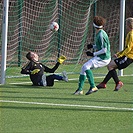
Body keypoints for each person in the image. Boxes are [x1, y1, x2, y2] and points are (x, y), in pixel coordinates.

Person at [74, 16, 111, 95]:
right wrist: (93, 46)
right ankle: (80, 90)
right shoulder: (100, 33)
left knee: (85, 67)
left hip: (103, 58)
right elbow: (101, 47)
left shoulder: (101, 35)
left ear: (94, 25)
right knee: (83, 68)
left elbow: (104, 50)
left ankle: (93, 86)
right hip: (103, 57)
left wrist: (92, 54)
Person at [97, 17, 133, 91]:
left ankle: (115, 82)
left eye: (126, 24)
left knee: (110, 65)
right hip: (128, 56)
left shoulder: (131, 34)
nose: (125, 26)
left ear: (129, 25)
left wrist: (119, 55)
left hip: (128, 57)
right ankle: (104, 83)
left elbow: (128, 48)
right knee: (111, 66)